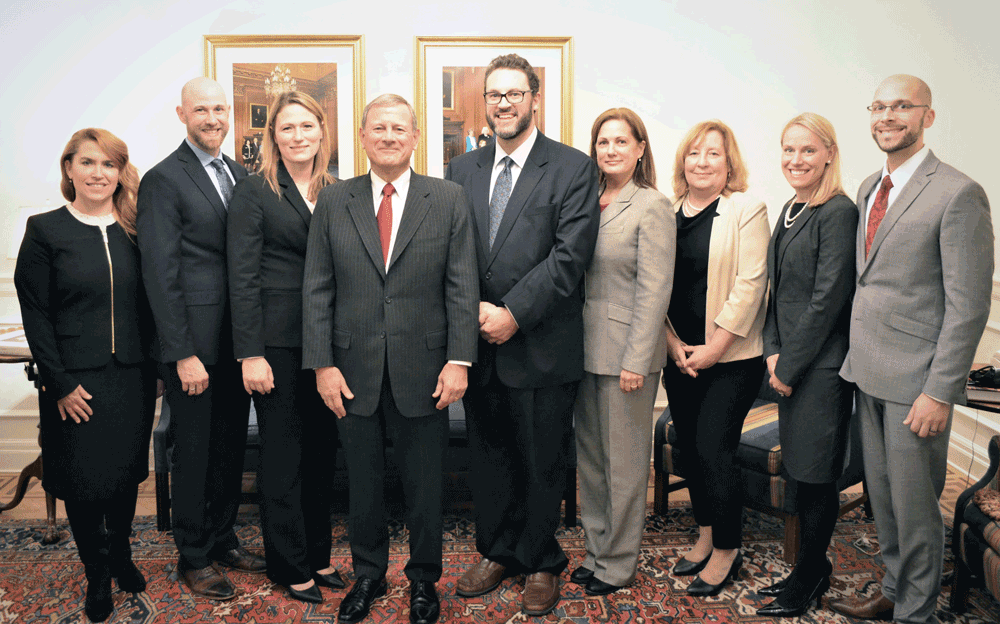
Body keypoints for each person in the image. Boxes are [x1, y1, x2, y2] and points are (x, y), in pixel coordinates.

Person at [302, 94, 478, 624]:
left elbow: (462, 287)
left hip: (425, 372)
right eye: (378, 127)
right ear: (361, 136)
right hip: (352, 372)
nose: (388, 136)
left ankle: (424, 582)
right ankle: (368, 575)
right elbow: (316, 288)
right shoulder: (335, 201)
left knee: (425, 488)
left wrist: (459, 360)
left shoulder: (447, 198)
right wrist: (322, 364)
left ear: (416, 137)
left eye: (399, 128)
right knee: (362, 485)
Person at [830, 75, 993, 624]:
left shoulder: (958, 192)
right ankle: (894, 591)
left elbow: (968, 306)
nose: (887, 116)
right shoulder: (867, 190)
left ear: (928, 116)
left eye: (902, 105)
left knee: (919, 509)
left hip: (918, 384)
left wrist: (939, 391)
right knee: (885, 502)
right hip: (869, 372)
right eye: (879, 106)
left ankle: (915, 612)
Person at [445, 53, 601, 616]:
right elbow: (453, 254)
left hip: (541, 344)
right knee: (488, 458)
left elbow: (570, 258)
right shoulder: (462, 170)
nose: (503, 103)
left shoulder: (572, 167)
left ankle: (540, 560)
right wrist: (473, 316)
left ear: (535, 98)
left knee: (542, 460)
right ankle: (498, 551)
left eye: (514, 93)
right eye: (494, 94)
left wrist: (512, 311)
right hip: (479, 345)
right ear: (484, 103)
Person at [14, 129, 158, 622]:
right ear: (69, 168)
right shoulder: (45, 230)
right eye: (89, 163)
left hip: (132, 379)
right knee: (82, 483)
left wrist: (158, 369)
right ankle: (96, 572)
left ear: (120, 173)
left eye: (110, 165)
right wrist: (58, 383)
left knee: (122, 478)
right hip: (74, 383)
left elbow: (150, 305)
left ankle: (121, 555)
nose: (100, 173)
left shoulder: (136, 230)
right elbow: (36, 313)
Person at [136, 77, 263, 601]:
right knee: (194, 451)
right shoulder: (164, 179)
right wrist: (182, 353)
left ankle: (223, 536)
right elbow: (160, 274)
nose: (212, 118)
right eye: (201, 110)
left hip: (236, 345)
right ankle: (193, 554)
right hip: (193, 348)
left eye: (219, 108)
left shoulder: (238, 173)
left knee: (229, 446)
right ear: (181, 114)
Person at [227, 90, 344, 604]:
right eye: (287, 128)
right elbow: (243, 277)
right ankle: (289, 564)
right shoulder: (255, 193)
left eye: (307, 126)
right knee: (283, 459)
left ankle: (319, 557)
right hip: (274, 348)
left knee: (322, 455)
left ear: (322, 131)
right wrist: (249, 352)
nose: (298, 136)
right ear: (273, 136)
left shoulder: (338, 190)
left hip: (329, 347)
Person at [755, 113, 858, 617]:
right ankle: (806, 570)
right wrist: (771, 349)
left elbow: (827, 301)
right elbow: (776, 294)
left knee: (816, 478)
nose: (796, 160)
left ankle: (812, 575)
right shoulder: (793, 207)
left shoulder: (839, 212)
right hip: (789, 363)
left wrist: (787, 367)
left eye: (808, 151)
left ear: (829, 154)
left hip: (820, 371)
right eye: (788, 150)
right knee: (799, 472)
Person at [662, 120, 769, 596]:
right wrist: (673, 346)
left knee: (713, 448)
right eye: (694, 153)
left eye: (713, 154)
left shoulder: (746, 208)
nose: (702, 162)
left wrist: (714, 349)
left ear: (730, 164)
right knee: (688, 446)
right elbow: (654, 288)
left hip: (730, 360)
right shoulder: (665, 213)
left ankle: (728, 547)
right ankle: (705, 534)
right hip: (678, 355)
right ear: (682, 161)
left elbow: (751, 284)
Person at [571, 108, 674, 596]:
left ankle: (618, 563)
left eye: (620, 142)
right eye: (602, 142)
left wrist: (636, 358)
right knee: (591, 461)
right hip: (582, 349)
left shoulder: (651, 205)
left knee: (626, 465)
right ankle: (595, 552)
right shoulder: (586, 199)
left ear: (639, 149)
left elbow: (655, 291)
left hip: (627, 356)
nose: (610, 150)